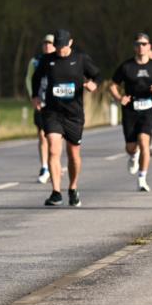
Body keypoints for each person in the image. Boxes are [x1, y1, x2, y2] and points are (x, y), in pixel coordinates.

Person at [31, 29, 101, 207]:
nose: (60, 49)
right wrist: (35, 96)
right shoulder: (48, 60)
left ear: (70, 43)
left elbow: (97, 75)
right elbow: (36, 77)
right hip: (53, 112)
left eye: (62, 46)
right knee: (54, 150)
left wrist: (93, 84)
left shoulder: (80, 59)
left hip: (74, 114)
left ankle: (72, 187)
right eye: (57, 46)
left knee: (73, 155)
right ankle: (56, 192)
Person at [110, 33, 152, 192]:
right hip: (130, 109)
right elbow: (113, 85)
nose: (141, 47)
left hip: (148, 109)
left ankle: (142, 179)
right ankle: (133, 155)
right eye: (138, 44)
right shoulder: (126, 66)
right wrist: (118, 97)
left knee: (144, 142)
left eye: (144, 44)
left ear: (149, 46)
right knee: (130, 147)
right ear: (134, 47)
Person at [26, 34, 56, 183]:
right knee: (42, 135)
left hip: (56, 104)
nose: (47, 46)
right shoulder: (36, 61)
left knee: (55, 137)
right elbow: (29, 79)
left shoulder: (60, 60)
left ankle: (54, 164)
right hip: (41, 102)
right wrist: (33, 97)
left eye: (50, 43)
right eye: (45, 43)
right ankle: (44, 167)